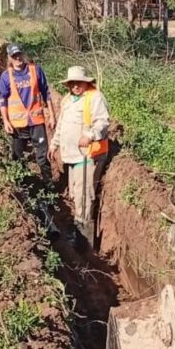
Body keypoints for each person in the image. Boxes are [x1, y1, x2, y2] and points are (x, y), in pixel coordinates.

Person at [49, 66, 110, 247]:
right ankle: (77, 232)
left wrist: (89, 135)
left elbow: (103, 121)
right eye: (72, 83)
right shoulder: (68, 99)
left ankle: (84, 241)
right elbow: (61, 124)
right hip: (72, 156)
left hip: (89, 154)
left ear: (86, 82)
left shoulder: (95, 98)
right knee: (76, 193)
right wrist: (54, 144)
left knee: (84, 194)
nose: (75, 86)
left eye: (79, 82)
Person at [0, 43, 56, 184]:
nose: (17, 58)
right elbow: (2, 100)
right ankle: (23, 187)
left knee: (43, 156)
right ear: (10, 58)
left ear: (23, 54)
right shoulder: (6, 76)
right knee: (17, 156)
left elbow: (46, 93)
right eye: (14, 56)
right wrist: (5, 121)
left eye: (19, 54)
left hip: (36, 121)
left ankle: (48, 185)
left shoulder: (35, 70)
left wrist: (52, 115)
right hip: (17, 125)